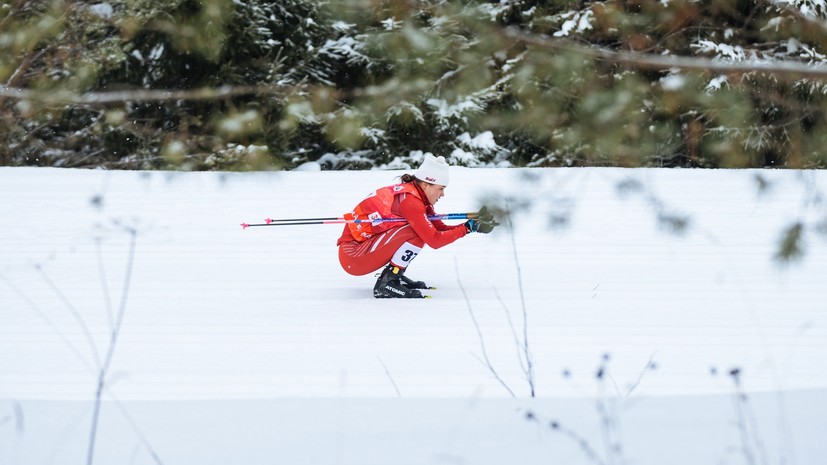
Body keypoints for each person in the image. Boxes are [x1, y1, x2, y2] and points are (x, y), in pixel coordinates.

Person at [337, 154, 498, 298]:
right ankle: (388, 283)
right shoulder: (410, 202)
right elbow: (435, 240)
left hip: (362, 250)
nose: (443, 194)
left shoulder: (416, 197)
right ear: (426, 184)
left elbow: (439, 230)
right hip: (354, 256)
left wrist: (472, 226)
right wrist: (467, 227)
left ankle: (394, 276)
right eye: (441, 189)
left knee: (419, 230)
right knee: (416, 232)